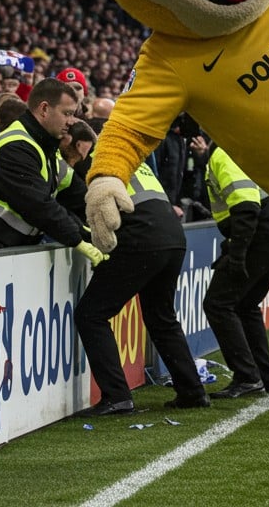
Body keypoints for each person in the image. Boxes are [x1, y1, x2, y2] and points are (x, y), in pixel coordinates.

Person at [73, 162, 209, 415]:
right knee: (162, 317)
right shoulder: (132, 161)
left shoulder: (98, 164)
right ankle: (192, 390)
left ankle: (117, 397)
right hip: (173, 237)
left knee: (90, 314)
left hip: (142, 238)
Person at [0, 78, 101, 264]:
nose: (71, 122)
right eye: (67, 113)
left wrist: (97, 223)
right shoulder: (16, 146)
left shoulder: (46, 147)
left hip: (3, 253)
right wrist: (77, 238)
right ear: (44, 109)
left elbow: (75, 193)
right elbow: (38, 205)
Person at [190, 134, 269, 399]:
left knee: (218, 304)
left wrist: (237, 255)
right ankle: (265, 376)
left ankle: (248, 377)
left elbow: (247, 206)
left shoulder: (224, 152)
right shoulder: (243, 146)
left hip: (264, 233)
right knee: (245, 305)